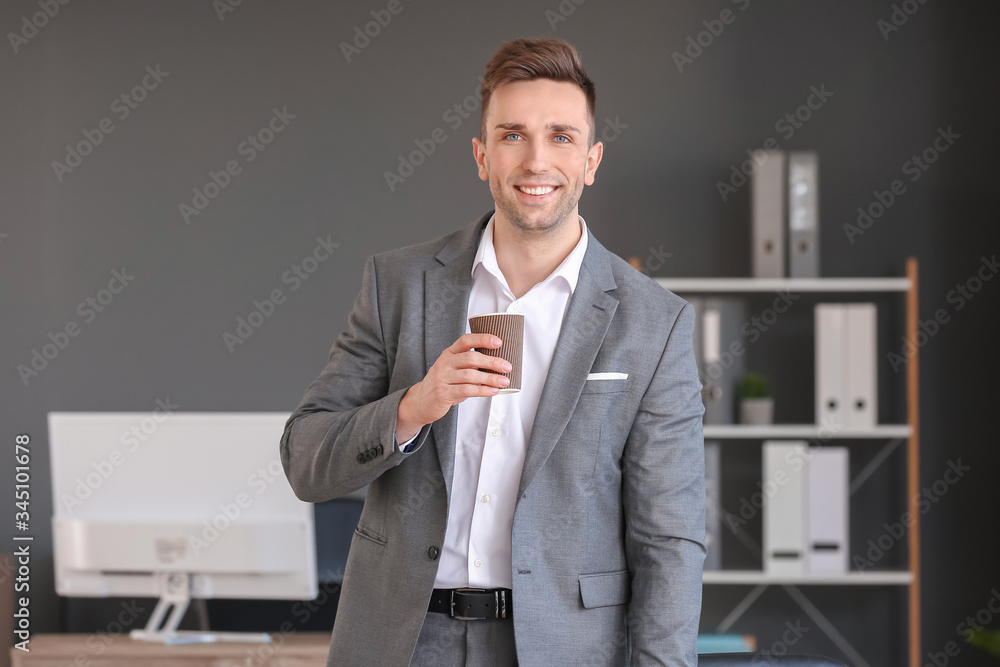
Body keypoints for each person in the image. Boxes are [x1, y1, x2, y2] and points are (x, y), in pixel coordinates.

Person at [279, 37, 706, 666]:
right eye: (512, 135)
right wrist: (413, 407)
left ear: (591, 160)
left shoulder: (654, 321)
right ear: (482, 156)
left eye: (561, 136)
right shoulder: (399, 285)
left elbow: (669, 541)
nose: (536, 161)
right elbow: (305, 461)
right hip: (404, 642)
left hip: (561, 649)